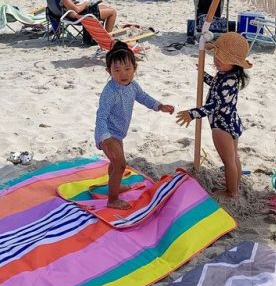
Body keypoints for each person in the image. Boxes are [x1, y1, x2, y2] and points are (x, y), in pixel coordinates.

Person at [95, 41, 175, 209]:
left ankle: (114, 186)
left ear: (135, 68)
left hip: (118, 133)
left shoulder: (133, 86)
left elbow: (144, 97)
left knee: (115, 164)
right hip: (107, 134)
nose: (123, 74)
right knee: (120, 164)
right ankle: (112, 200)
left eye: (127, 69)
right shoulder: (110, 92)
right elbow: (101, 116)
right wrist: (105, 138)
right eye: (116, 70)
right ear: (108, 71)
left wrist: (159, 106)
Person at [176, 32, 252, 199]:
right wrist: (204, 76)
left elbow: (215, 106)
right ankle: (235, 186)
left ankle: (231, 192)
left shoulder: (228, 81)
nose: (216, 59)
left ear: (234, 62)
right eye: (216, 55)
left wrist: (192, 114)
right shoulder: (228, 76)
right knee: (233, 158)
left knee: (229, 161)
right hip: (231, 121)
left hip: (222, 125)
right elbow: (215, 85)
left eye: (221, 58)